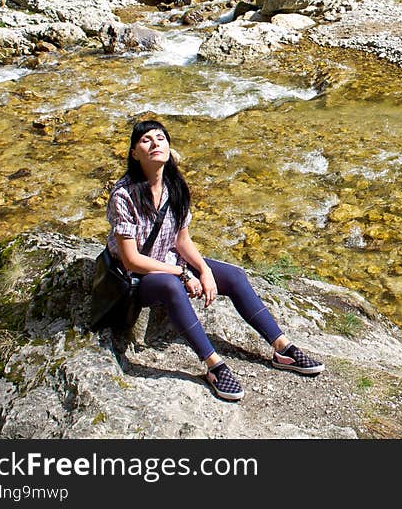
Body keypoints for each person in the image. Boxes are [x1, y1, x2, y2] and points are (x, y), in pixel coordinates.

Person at [105, 119, 324, 401]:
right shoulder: (124, 194)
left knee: (233, 276)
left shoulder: (175, 187)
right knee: (171, 287)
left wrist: (204, 269)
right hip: (135, 279)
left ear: (169, 148)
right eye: (146, 140)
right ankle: (214, 366)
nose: (155, 143)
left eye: (161, 138)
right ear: (134, 153)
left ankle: (282, 349)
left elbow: (181, 241)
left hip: (167, 261)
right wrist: (182, 274)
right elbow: (132, 260)